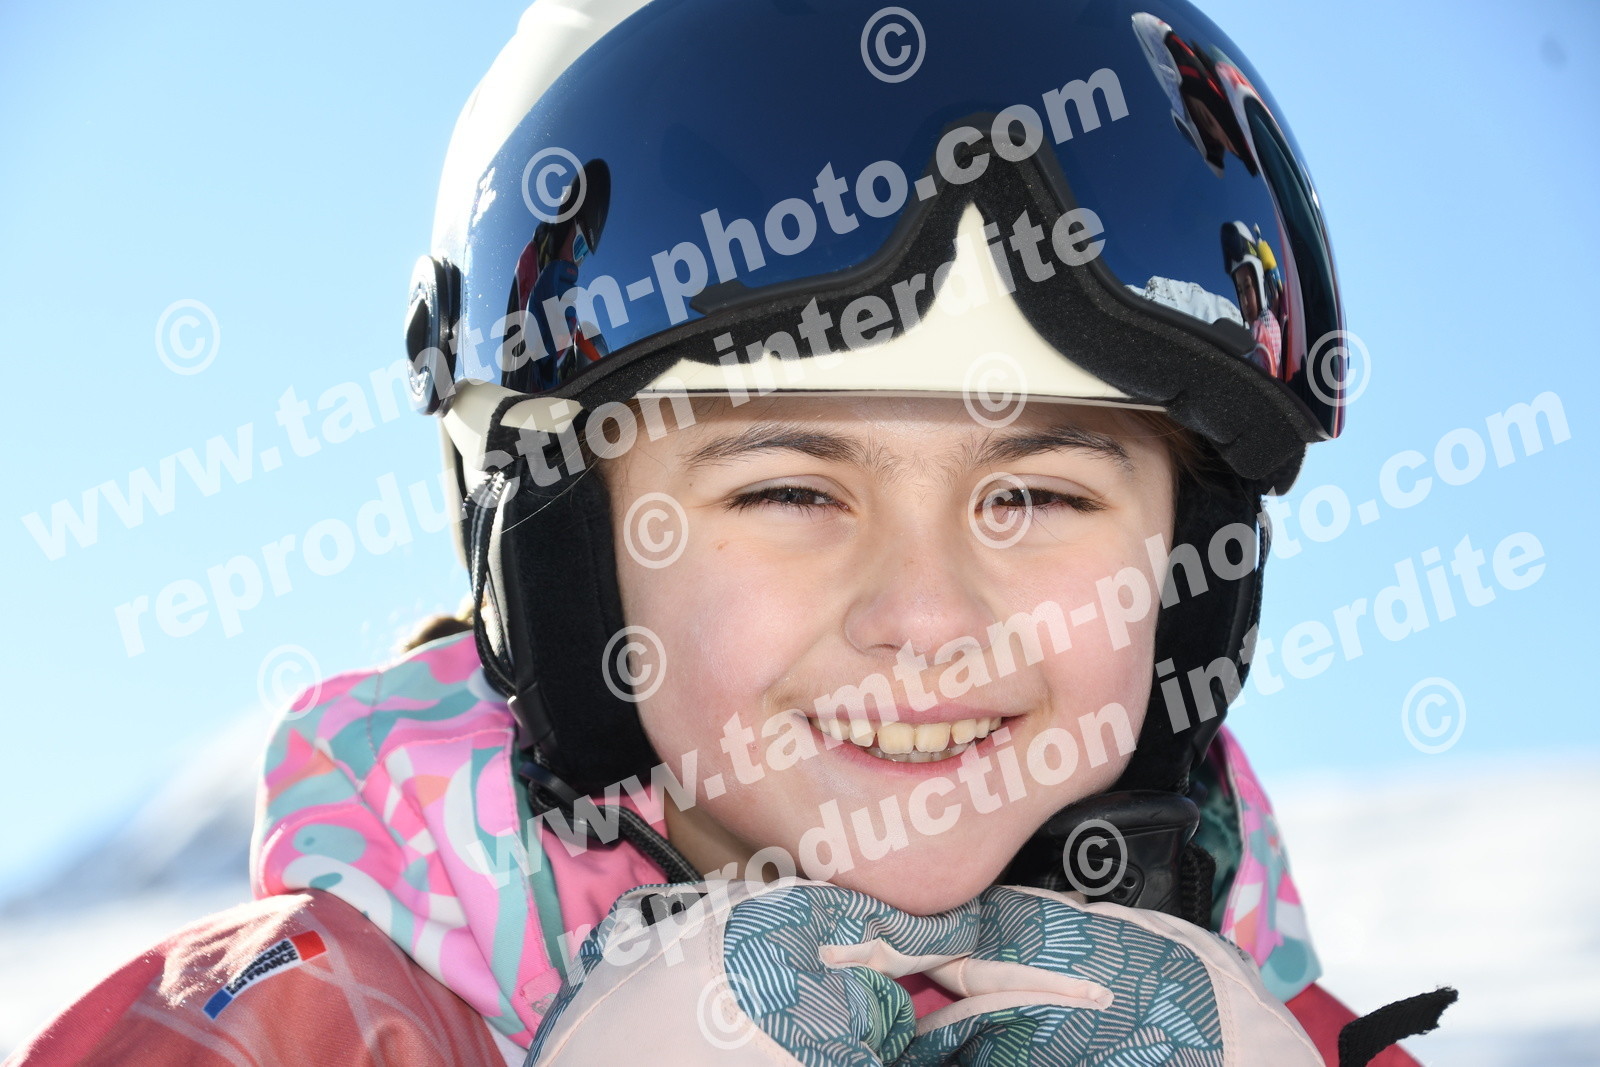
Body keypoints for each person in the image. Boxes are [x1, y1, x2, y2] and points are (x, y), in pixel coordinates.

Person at [7, 1, 1455, 1064]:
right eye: (790, 493)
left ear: (1192, 572)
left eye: (1038, 496)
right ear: (560, 562)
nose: (930, 618)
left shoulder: (1289, 1040)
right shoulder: (273, 1035)